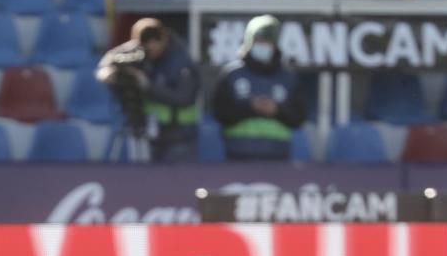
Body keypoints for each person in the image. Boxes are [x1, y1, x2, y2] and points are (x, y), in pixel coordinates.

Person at [97, 18, 200, 163]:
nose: (150, 51)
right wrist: (108, 72)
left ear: (162, 40)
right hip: (151, 129)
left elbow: (184, 97)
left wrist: (146, 84)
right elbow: (109, 60)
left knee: (179, 181)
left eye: (153, 47)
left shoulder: (181, 59)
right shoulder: (140, 51)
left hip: (179, 134)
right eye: (146, 47)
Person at [211, 15, 307, 162]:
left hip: (278, 157)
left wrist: (277, 110)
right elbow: (219, 113)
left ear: (275, 43)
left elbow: (299, 117)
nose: (263, 45)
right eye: (258, 41)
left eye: (268, 41)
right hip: (237, 155)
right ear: (249, 42)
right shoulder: (231, 75)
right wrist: (249, 107)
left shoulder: (288, 78)